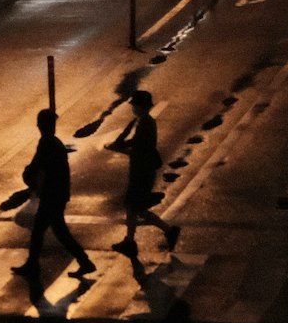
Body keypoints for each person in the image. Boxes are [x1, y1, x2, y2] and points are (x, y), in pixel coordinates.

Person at [13, 108, 97, 279]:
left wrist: (28, 176)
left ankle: (34, 265)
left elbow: (37, 165)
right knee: (58, 231)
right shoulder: (55, 142)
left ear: (40, 125)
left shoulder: (46, 143)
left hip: (52, 194)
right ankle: (84, 262)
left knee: (42, 231)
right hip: (58, 193)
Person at [106, 91, 180, 255]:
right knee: (133, 207)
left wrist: (119, 148)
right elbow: (135, 143)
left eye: (135, 106)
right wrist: (121, 145)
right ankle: (131, 241)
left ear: (142, 106)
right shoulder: (144, 122)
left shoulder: (145, 123)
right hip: (141, 170)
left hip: (142, 172)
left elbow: (138, 149)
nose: (133, 108)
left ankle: (166, 231)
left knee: (135, 207)